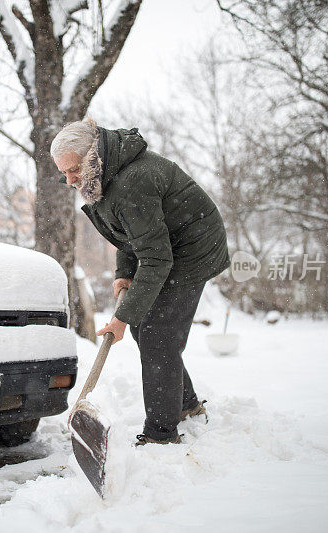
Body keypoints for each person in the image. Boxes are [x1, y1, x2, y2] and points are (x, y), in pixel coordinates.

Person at [50, 118, 230, 446]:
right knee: (146, 330)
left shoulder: (132, 182)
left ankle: (162, 435)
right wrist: (123, 275)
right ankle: (185, 404)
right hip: (166, 248)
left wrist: (120, 318)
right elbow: (129, 237)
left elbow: (156, 258)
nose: (69, 179)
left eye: (72, 169)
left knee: (158, 336)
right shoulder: (104, 175)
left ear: (91, 155)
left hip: (193, 249)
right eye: (64, 173)